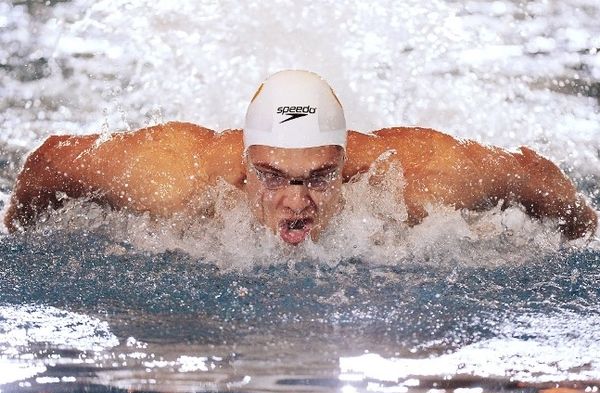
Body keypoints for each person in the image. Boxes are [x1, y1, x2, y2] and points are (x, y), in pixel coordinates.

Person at [4, 70, 597, 244]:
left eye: (319, 177)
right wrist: (14, 236)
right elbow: (50, 163)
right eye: (272, 176)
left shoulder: (412, 179)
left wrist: (586, 235)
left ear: (346, 165)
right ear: (244, 162)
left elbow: (531, 175)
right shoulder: (171, 178)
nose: (295, 202)